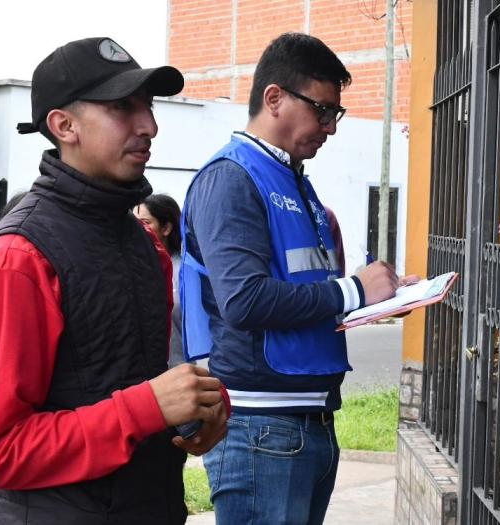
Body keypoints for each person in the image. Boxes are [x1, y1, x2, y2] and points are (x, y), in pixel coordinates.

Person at [0, 37, 228, 525]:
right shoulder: (17, 261)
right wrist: (145, 408)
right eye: (123, 107)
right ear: (64, 126)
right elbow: (0, 453)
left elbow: (134, 383)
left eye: (147, 105)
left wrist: (196, 411)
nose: (149, 125)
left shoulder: (143, 243)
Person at [181, 33, 412, 524]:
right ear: (274, 98)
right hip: (261, 425)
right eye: (322, 110)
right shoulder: (232, 178)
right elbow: (244, 301)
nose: (330, 128)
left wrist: (379, 301)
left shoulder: (293, 180)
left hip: (304, 421)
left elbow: (305, 292)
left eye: (336, 115)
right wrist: (353, 289)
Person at [134, 194, 188, 367]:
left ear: (166, 228)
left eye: (145, 222)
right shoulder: (126, 268)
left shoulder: (185, 273)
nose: (138, 229)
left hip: (177, 371)